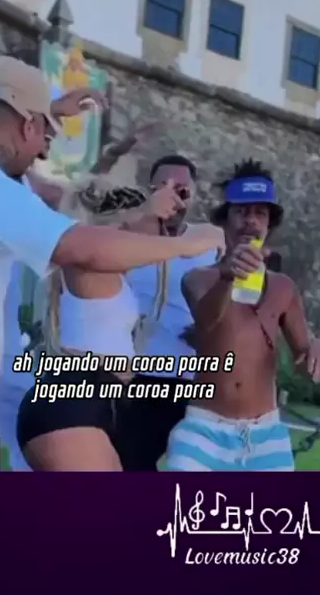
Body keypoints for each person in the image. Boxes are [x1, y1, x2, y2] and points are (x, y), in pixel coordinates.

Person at [0, 54, 223, 471]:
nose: (44, 147)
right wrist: (189, 243)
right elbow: (86, 249)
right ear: (26, 125)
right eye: (44, 131)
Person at [16, 179, 224, 471]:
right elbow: (100, 241)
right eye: (158, 224)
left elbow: (213, 233)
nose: (162, 233)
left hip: (104, 400)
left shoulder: (116, 277)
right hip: (73, 400)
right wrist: (168, 233)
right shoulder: (89, 263)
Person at [165, 158, 320, 472]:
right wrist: (228, 277)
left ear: (269, 225)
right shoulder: (200, 278)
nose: (250, 222)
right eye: (241, 212)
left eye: (260, 213)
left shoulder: (283, 287)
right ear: (224, 221)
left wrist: (316, 350)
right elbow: (208, 322)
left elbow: (303, 359)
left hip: (265, 432)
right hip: (205, 427)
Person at [117, 154, 219, 471]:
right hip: (130, 375)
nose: (172, 198)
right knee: (128, 464)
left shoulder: (211, 242)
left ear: (195, 194)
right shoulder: (124, 239)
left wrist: (211, 332)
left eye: (182, 190)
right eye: (161, 188)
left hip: (189, 378)